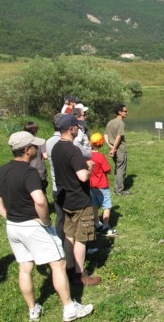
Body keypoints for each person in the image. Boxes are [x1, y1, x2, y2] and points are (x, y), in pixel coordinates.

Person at [0, 131, 94, 321]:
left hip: (13, 227)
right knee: (59, 264)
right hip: (32, 226)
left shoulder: (2, 170)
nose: (37, 148)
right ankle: (70, 308)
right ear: (27, 150)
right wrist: (45, 220)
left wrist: (7, 215)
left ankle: (33, 309)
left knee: (25, 267)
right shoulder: (29, 172)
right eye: (34, 146)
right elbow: (40, 201)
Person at [52, 114, 102, 286]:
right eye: (76, 128)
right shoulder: (72, 149)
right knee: (81, 238)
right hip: (79, 199)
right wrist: (89, 167)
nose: (77, 130)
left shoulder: (56, 147)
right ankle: (80, 274)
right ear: (71, 129)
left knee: (69, 235)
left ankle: (70, 267)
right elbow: (82, 176)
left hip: (65, 199)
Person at [89, 133, 118, 236]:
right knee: (106, 206)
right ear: (101, 144)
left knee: (94, 205)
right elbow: (108, 170)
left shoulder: (86, 155)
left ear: (90, 143)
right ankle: (105, 226)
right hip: (102, 185)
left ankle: (97, 224)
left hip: (91, 186)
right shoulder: (100, 157)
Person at [46, 113, 65, 241]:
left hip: (55, 186)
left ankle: (60, 244)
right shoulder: (64, 142)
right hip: (67, 187)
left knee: (60, 217)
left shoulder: (48, 141)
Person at [104, 104, 131, 195]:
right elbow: (118, 138)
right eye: (125, 111)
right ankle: (119, 190)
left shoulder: (110, 122)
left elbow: (105, 135)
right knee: (121, 169)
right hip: (119, 149)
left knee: (117, 167)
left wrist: (110, 146)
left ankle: (117, 187)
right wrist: (114, 149)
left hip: (113, 148)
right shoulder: (121, 123)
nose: (127, 113)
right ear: (119, 112)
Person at [23, 122, 49, 195]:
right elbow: (45, 156)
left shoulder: (23, 142)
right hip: (39, 171)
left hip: (26, 170)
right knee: (42, 192)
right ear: (35, 131)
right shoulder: (41, 141)